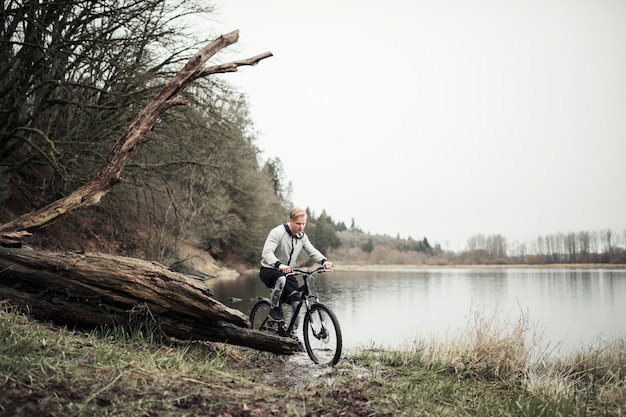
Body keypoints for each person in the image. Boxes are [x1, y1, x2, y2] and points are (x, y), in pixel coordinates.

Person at [260, 207, 333, 323]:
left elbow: (312, 251)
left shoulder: (302, 237)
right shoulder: (278, 232)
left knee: (296, 302)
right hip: (269, 269)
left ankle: (293, 335)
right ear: (290, 220)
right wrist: (279, 264)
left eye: (303, 224)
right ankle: (274, 309)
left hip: (288, 272)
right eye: (298, 223)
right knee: (281, 279)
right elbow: (266, 253)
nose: (301, 227)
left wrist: (324, 261)